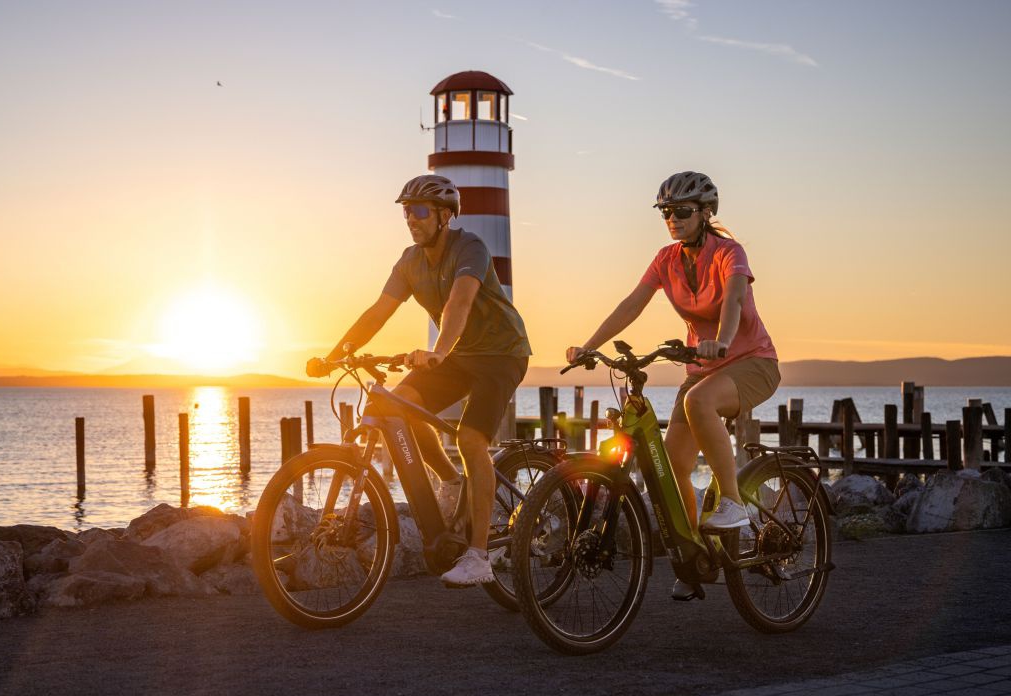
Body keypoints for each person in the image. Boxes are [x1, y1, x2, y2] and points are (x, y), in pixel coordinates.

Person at [307, 174, 532, 587]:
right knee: (396, 406)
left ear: (445, 216)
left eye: (421, 211)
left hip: (502, 353)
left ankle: (479, 555)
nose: (411, 218)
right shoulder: (410, 261)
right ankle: (450, 481)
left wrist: (439, 350)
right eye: (407, 211)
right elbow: (378, 312)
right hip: (458, 354)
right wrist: (335, 355)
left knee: (471, 439)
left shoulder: (471, 247)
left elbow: (459, 303)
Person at [565, 171, 779, 601]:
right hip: (702, 370)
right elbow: (632, 303)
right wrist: (589, 346)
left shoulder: (729, 253)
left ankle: (733, 502)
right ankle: (695, 555)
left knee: (699, 401)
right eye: (666, 212)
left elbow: (734, 298)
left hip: (752, 363)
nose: (673, 219)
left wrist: (721, 339)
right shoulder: (665, 259)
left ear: (705, 213)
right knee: (673, 468)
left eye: (682, 211)